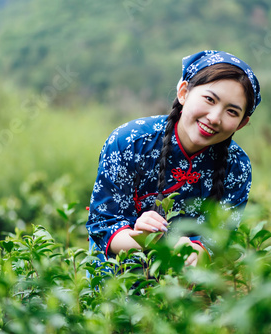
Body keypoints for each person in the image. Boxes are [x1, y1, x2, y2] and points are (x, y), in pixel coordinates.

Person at [86, 50, 261, 268]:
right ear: (183, 92)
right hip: (116, 286)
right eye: (209, 99)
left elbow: (220, 242)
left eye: (232, 112)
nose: (215, 118)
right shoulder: (130, 142)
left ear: (242, 123)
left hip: (187, 290)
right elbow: (103, 225)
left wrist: (197, 251)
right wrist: (143, 238)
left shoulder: (237, 167)